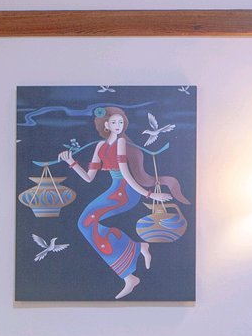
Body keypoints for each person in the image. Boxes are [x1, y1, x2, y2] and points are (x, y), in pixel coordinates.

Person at [57, 105, 191, 299]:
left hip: (126, 192)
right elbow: (88, 178)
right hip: (116, 189)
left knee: (85, 223)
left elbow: (126, 174)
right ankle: (137, 253)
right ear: (106, 125)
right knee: (85, 223)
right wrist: (71, 162)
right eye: (114, 122)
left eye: (121, 122)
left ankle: (130, 273)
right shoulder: (100, 146)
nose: (118, 125)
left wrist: (149, 194)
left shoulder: (121, 143)